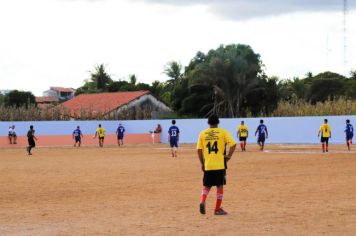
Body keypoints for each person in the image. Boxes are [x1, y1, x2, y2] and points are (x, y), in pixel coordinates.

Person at [197, 115, 236, 215]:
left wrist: (202, 163)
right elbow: (233, 144)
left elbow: (199, 150)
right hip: (219, 164)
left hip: (208, 164)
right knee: (219, 186)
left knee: (207, 185)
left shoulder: (202, 133)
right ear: (218, 122)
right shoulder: (223, 132)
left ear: (208, 123)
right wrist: (228, 157)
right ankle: (217, 209)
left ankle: (202, 200)